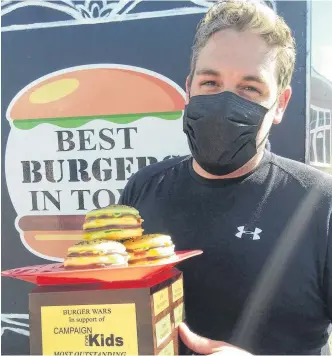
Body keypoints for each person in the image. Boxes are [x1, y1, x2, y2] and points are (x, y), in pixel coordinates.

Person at [119, 0, 332, 354]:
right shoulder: (143, 189)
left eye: (250, 88)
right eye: (210, 82)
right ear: (189, 87)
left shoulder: (319, 204)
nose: (224, 102)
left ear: (280, 104)